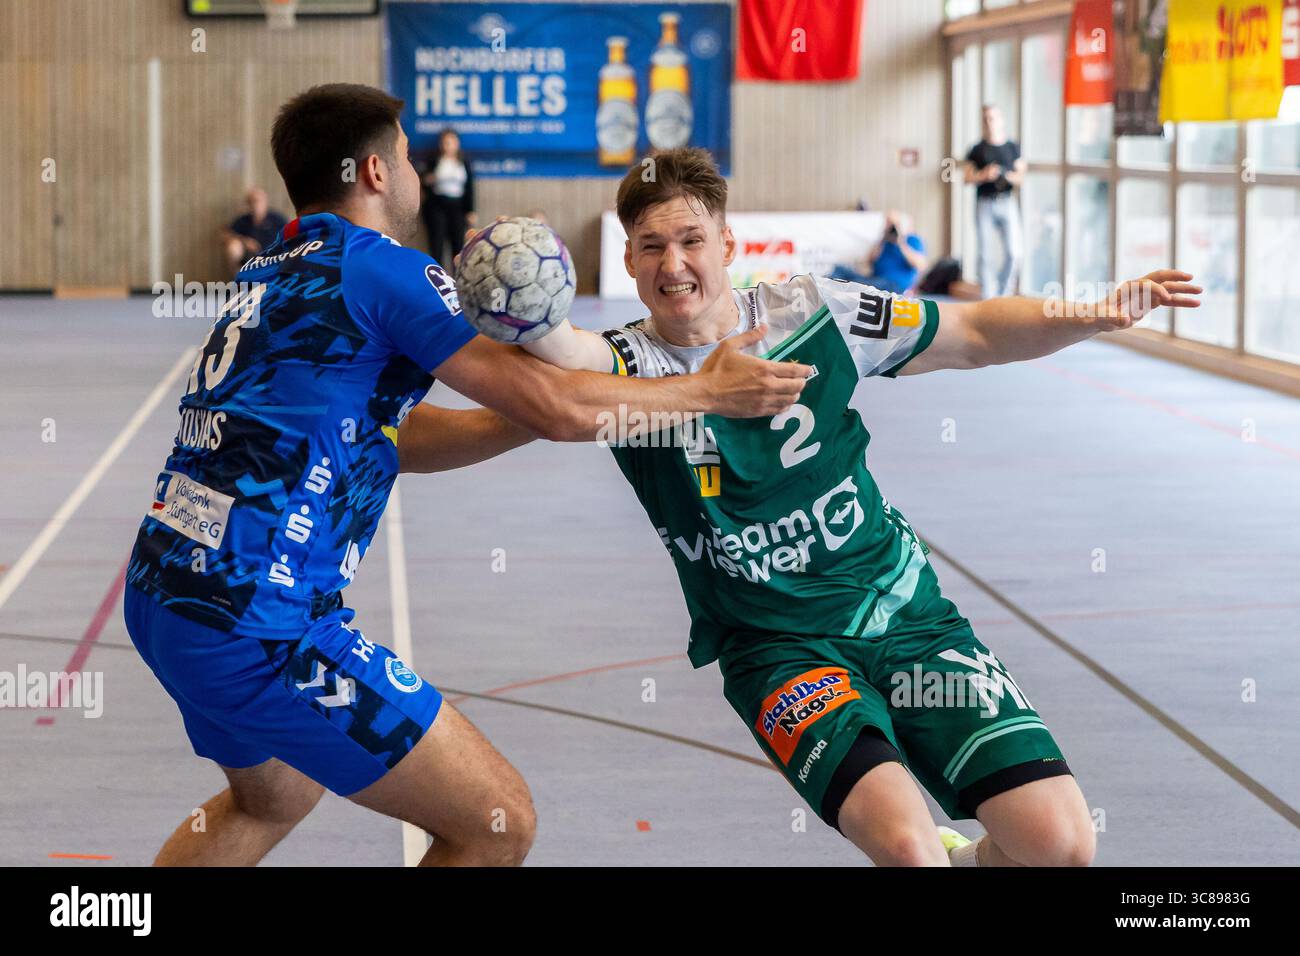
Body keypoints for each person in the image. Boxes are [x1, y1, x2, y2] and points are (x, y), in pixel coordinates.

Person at [123, 87, 808, 868]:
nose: (417, 174)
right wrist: (706, 391)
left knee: (273, 796)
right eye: (411, 157)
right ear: (378, 171)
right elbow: (555, 406)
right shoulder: (384, 272)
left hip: (165, 595)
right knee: (495, 822)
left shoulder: (270, 273)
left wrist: (537, 411)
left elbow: (382, 435)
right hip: (260, 622)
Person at [471, 146, 1200, 866]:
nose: (674, 265)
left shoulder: (813, 313)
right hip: (778, 648)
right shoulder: (625, 368)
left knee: (1061, 847)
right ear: (628, 260)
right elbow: (562, 353)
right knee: (908, 849)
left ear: (727, 244)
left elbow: (973, 332)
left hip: (904, 616)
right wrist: (518, 299)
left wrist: (1088, 313)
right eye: (652, 247)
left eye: (692, 241)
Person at [964, 105, 1027, 298]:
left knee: (1014, 252)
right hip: (985, 203)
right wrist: (984, 175)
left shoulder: (1012, 147)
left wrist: (1005, 176)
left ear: (1001, 120)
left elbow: (1021, 177)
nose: (990, 122)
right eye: (986, 119)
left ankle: (1003, 295)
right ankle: (988, 298)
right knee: (985, 254)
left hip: (1007, 202)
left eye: (993, 118)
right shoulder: (977, 149)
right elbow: (967, 178)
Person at [828, 210, 928, 294]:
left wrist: (900, 242)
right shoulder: (883, 242)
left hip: (894, 284)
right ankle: (828, 290)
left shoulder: (912, 240)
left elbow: (921, 265)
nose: (891, 226)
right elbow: (870, 261)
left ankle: (835, 292)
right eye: (888, 223)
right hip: (875, 279)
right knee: (839, 269)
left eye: (894, 224)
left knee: (855, 284)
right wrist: (883, 239)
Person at [421, 128, 476, 265]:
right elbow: (424, 181)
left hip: (457, 206)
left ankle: (457, 281)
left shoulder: (464, 162)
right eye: (446, 142)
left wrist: (471, 210)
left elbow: (469, 188)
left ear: (457, 144)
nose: (448, 145)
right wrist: (429, 179)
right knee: (437, 244)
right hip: (437, 205)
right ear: (441, 144)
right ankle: (437, 279)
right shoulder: (434, 160)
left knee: (458, 246)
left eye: (451, 142)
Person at [219, 187, 287, 277]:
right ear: (248, 204)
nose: (255, 205)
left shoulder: (277, 219)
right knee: (233, 246)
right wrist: (245, 241)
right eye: (251, 202)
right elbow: (225, 234)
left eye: (258, 201)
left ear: (265, 201)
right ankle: (239, 280)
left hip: (273, 257)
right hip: (249, 259)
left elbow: (290, 235)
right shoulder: (243, 220)